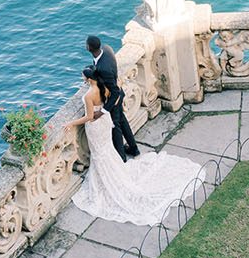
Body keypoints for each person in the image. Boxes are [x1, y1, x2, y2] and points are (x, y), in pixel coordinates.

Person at [65, 68, 204, 224]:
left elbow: (89, 117)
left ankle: (106, 181)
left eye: (83, 76)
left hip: (95, 127)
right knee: (107, 150)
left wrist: (71, 122)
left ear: (88, 79)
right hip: (105, 122)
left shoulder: (88, 96)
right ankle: (113, 174)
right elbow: (115, 99)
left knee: (100, 153)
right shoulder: (103, 88)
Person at [85, 34, 140, 162]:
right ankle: (134, 148)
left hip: (113, 99)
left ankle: (121, 158)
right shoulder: (107, 49)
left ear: (88, 48)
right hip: (117, 92)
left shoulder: (103, 68)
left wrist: (103, 111)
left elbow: (114, 91)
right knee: (122, 121)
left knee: (116, 127)